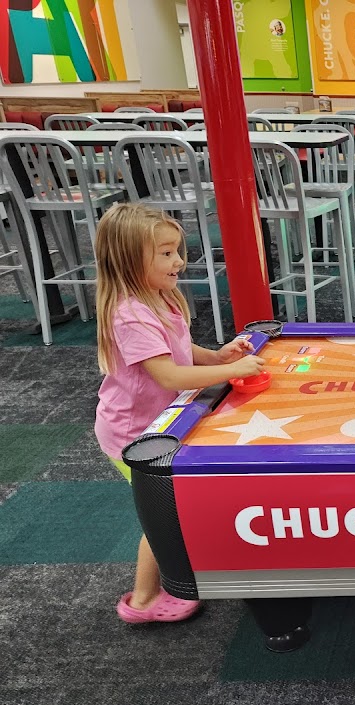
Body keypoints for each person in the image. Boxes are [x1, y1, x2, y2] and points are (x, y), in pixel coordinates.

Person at [94, 204, 265, 624]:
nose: (179, 261)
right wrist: (233, 370)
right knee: (162, 515)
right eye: (166, 254)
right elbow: (168, 374)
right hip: (135, 435)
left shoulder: (157, 298)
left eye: (177, 251)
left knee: (176, 505)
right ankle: (142, 601)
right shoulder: (130, 315)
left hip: (161, 423)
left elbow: (178, 349)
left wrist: (217, 356)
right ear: (131, 261)